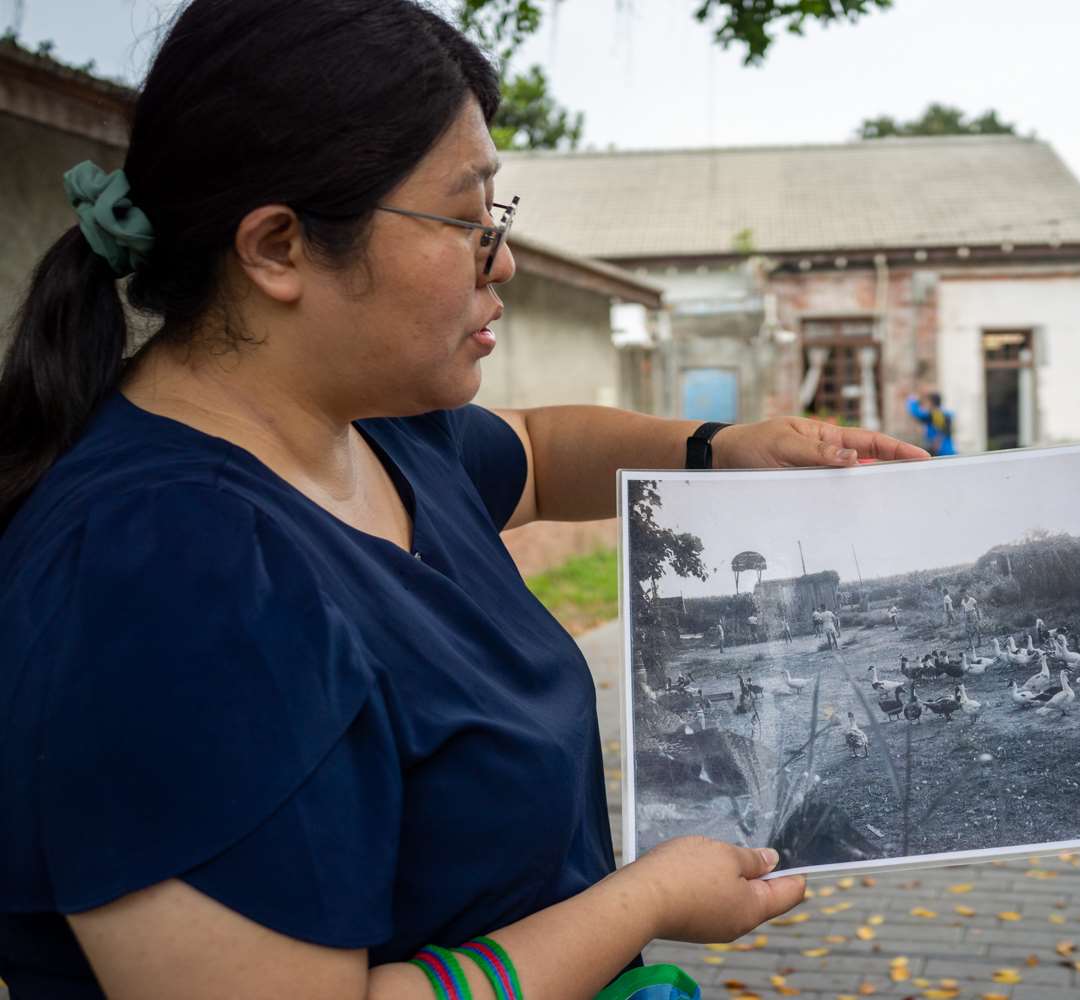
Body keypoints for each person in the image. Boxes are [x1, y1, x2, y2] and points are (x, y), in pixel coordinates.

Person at [0, 3, 931, 998]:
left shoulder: (375, 427)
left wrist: (719, 451)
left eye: (499, 214)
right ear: (279, 248)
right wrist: (643, 901)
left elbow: (534, 450)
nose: (505, 257)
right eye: (462, 218)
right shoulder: (168, 580)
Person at [906, 391, 956, 456]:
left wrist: (911, 400)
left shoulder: (935, 414)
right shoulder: (943, 413)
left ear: (932, 402)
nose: (926, 405)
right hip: (947, 450)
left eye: (927, 402)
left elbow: (917, 414)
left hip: (940, 451)